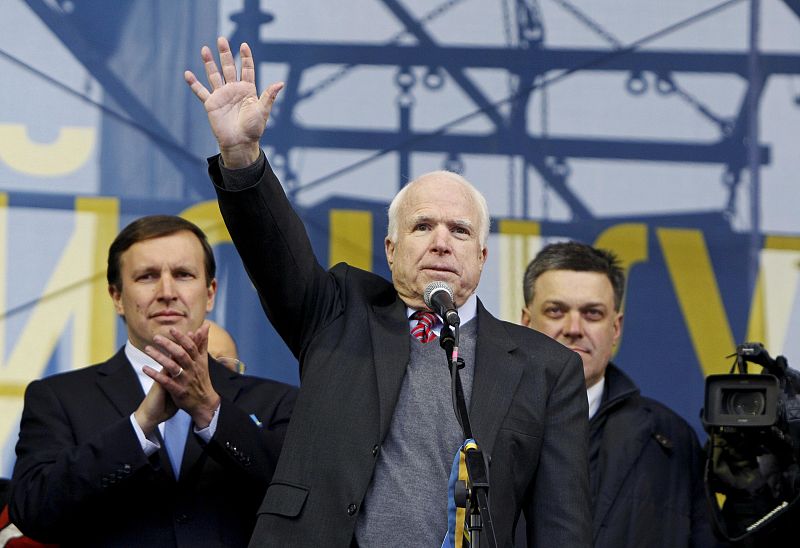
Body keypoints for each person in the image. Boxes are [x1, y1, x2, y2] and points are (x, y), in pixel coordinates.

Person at [184, 37, 591, 546]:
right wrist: (242, 156)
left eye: (460, 231)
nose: (441, 242)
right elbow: (274, 252)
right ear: (392, 249)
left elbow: (562, 528)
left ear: (482, 258)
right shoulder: (338, 312)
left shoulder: (546, 368)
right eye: (422, 227)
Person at [9, 215, 297, 547]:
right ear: (116, 297)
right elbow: (32, 511)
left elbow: (309, 502)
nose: (167, 292)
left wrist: (210, 411)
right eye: (147, 276)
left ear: (211, 292)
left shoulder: (276, 401)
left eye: (183, 275)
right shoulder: (58, 398)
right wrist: (139, 425)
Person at [520, 241, 716, 547]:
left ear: (616, 328)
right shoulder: (483, 425)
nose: (574, 328)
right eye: (556, 311)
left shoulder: (672, 440)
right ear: (526, 323)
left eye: (593, 313)